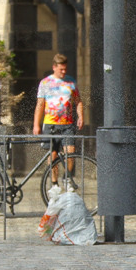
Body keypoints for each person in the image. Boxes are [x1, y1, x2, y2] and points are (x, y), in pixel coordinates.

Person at [33, 54, 85, 195]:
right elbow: (40, 104)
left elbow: (78, 100)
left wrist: (81, 116)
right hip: (51, 124)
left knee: (70, 153)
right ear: (54, 67)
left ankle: (67, 179)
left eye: (65, 69)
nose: (63, 72)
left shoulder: (70, 82)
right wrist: (36, 125)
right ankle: (54, 183)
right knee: (53, 155)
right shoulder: (45, 83)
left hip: (67, 124)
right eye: (61, 69)